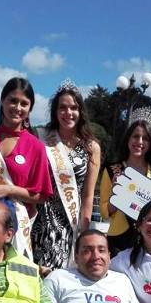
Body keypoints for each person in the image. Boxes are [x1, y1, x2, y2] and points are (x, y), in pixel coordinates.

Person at [31, 80, 101, 271]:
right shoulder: (42, 138)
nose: (68, 113)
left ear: (81, 112)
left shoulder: (91, 148)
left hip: (72, 223)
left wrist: (84, 233)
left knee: (65, 278)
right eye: (62, 108)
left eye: (73, 108)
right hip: (41, 220)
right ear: (55, 111)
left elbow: (88, 194)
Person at [0, 77, 53, 258]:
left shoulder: (36, 146)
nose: (17, 108)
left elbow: (41, 196)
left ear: (30, 109)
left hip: (16, 225)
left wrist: (9, 190)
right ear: (2, 101)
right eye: (12, 101)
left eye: (24, 103)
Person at [99, 108, 151, 256]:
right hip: (118, 240)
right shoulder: (112, 169)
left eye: (145, 138)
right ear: (128, 139)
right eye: (135, 136)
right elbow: (103, 212)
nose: (139, 142)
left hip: (148, 239)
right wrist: (116, 197)